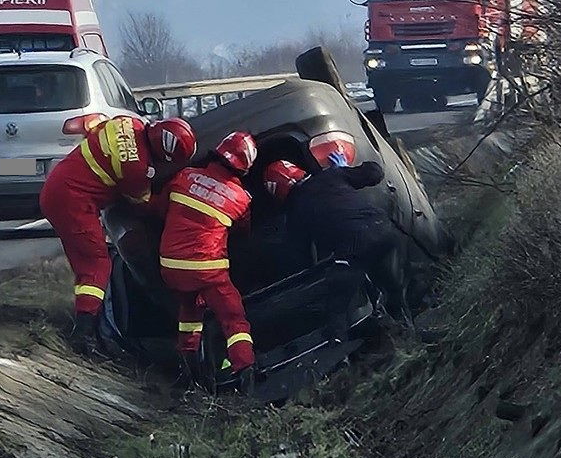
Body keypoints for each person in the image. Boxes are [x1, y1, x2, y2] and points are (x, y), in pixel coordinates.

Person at [39, 113, 197, 355]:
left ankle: (91, 322)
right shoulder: (137, 170)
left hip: (58, 185)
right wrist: (176, 198)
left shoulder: (126, 122)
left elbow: (96, 133)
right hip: (73, 202)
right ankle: (83, 334)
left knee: (84, 264)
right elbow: (144, 204)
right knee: (96, 265)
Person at [159, 131, 260, 388]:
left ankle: (189, 371)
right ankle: (246, 373)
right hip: (207, 269)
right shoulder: (240, 199)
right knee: (234, 319)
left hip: (170, 266)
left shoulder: (185, 176)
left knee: (189, 312)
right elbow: (244, 233)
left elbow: (160, 209)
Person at [264, 156, 405, 325]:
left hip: (354, 249)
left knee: (339, 307)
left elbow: (301, 259)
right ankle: (406, 326)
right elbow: (375, 173)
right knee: (395, 288)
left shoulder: (294, 216)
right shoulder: (332, 176)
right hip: (384, 230)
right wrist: (346, 169)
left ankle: (348, 336)